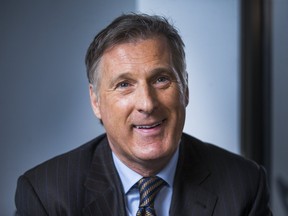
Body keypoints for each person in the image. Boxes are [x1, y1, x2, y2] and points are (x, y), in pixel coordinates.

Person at [15, 13, 272, 216]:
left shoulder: (243, 185)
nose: (147, 104)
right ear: (95, 101)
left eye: (161, 79)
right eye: (124, 84)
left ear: (185, 89)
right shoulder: (46, 194)